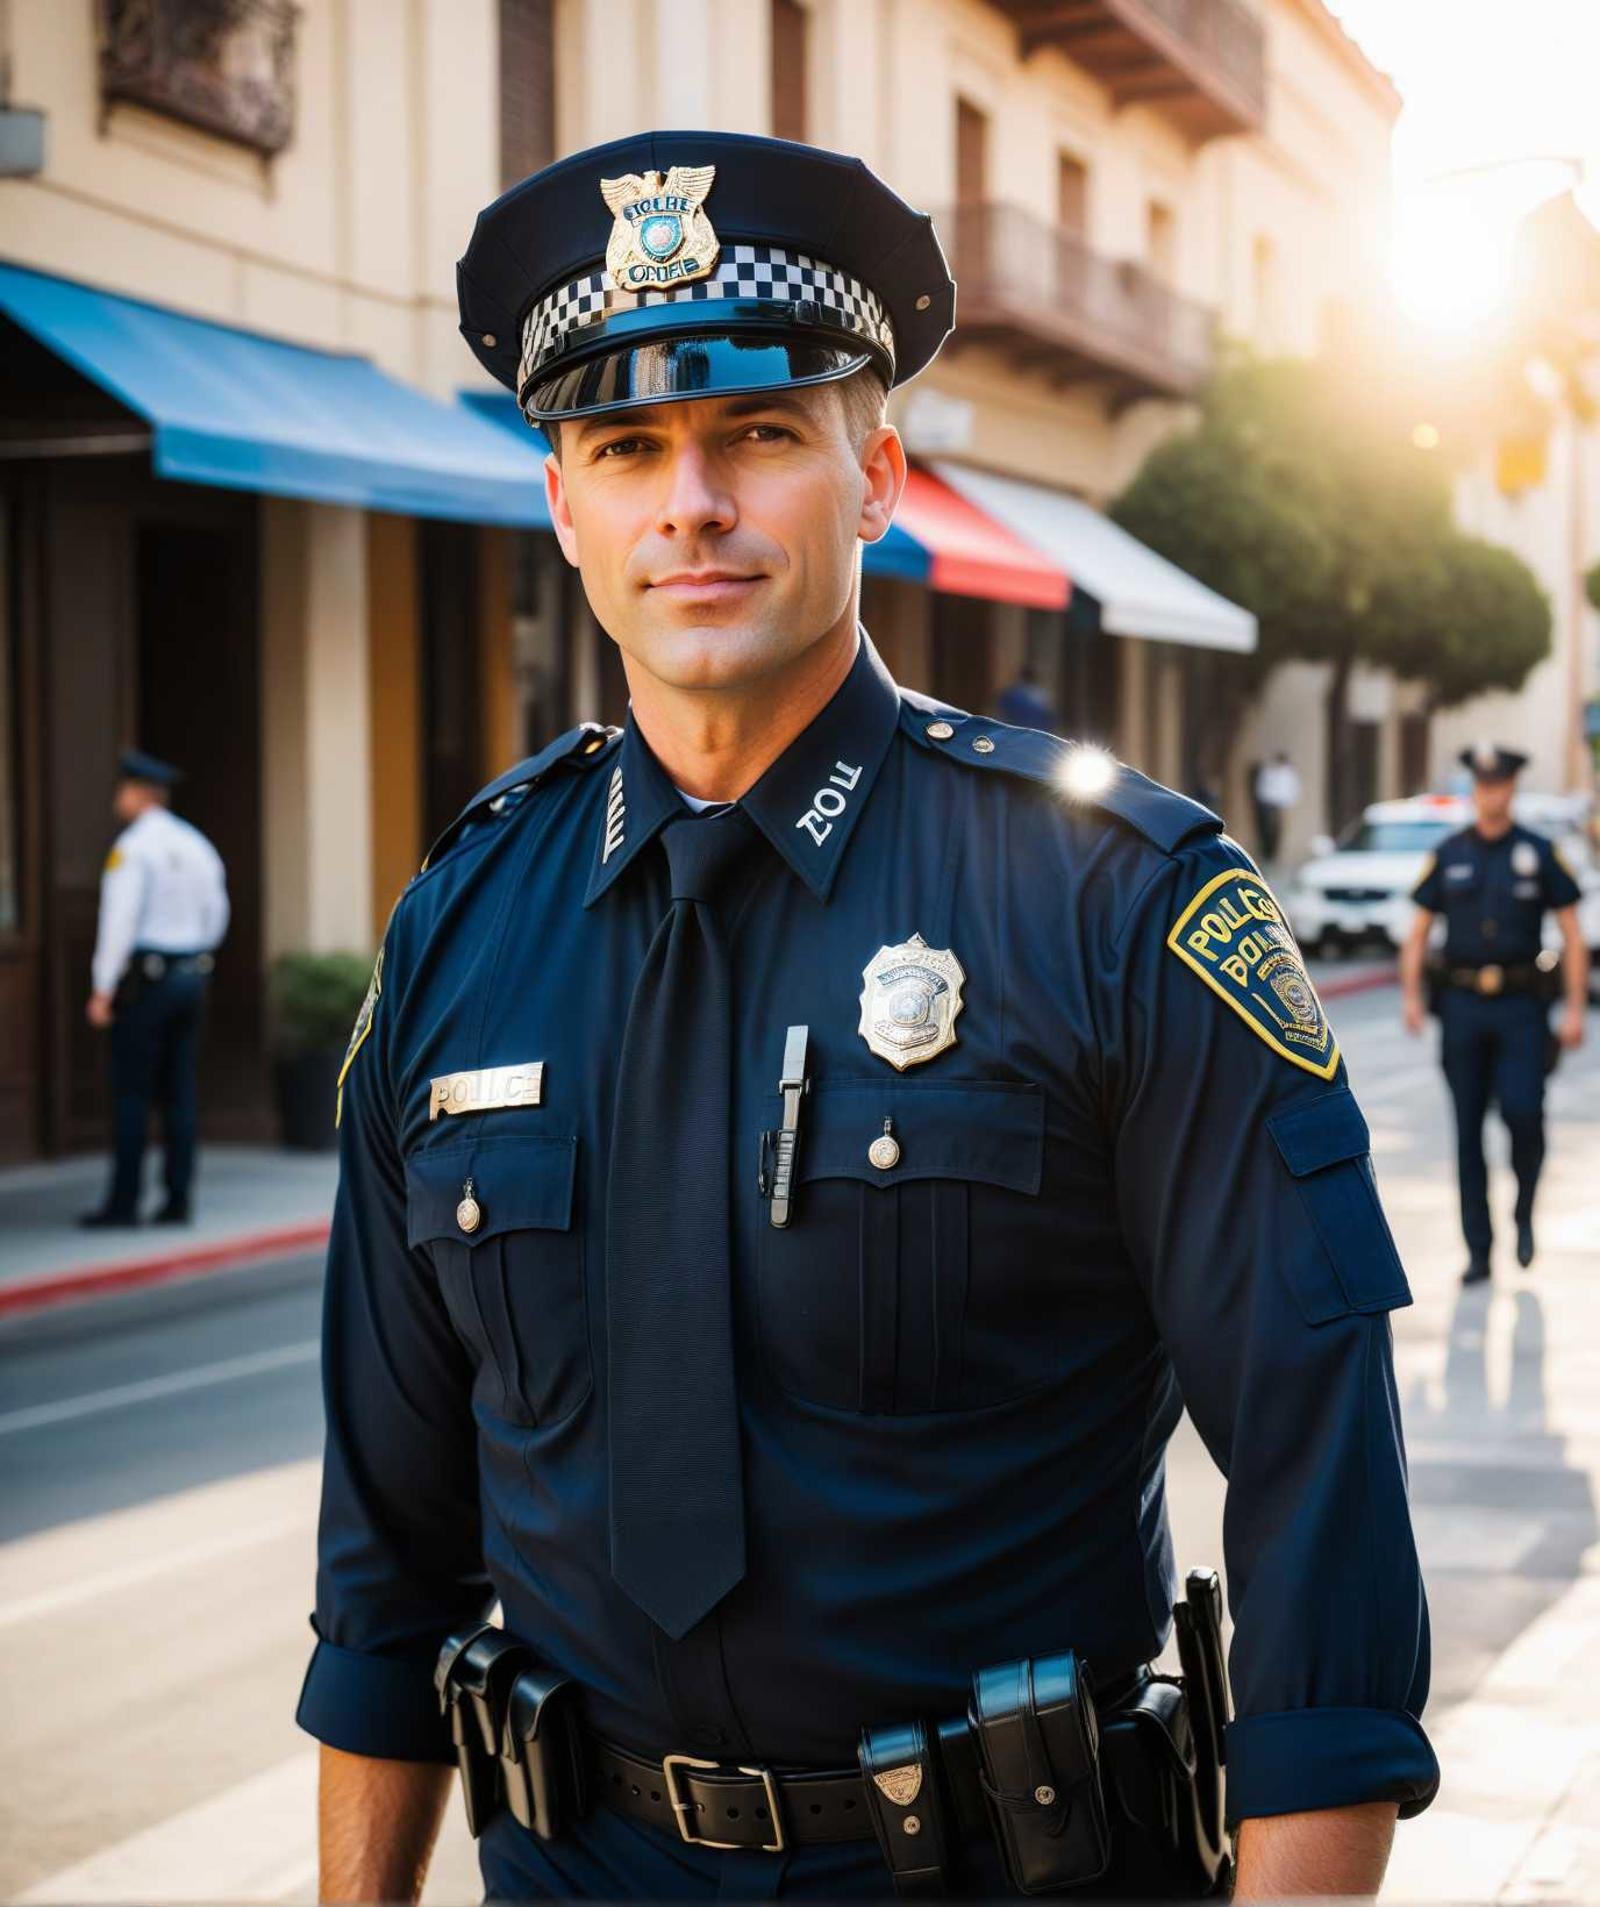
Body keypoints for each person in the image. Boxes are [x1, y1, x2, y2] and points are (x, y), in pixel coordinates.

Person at [297, 131, 1436, 1903]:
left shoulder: (1109, 901)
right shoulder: (461, 932)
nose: (693, 502)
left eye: (757, 434)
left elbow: (1320, 1493)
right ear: (566, 510)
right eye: (626, 448)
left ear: (877, 473)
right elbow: (386, 1555)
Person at [1401, 742, 1588, 1285]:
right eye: (1483, 786)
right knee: (1466, 1133)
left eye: (1500, 785)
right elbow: (1418, 933)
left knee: (1524, 1115)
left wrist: (1574, 1008)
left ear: (1512, 788)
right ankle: (1478, 1251)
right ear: (1474, 791)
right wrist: (1411, 996)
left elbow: (1573, 934)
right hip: (1460, 1008)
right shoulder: (1449, 853)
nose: (1492, 794)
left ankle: (1524, 1211)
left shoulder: (1540, 851)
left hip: (1522, 1008)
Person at [80, 749, 229, 1228]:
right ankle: (177, 1199)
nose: (116, 799)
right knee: (181, 1090)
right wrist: (197, 955)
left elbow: (118, 922)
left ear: (138, 794)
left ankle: (123, 1204)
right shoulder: (196, 844)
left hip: (147, 981)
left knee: (132, 1094)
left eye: (122, 790)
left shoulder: (134, 848)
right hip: (191, 974)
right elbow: (217, 914)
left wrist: (103, 987)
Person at [1251, 752, 1300, 865]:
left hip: (1281, 805)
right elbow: (1262, 789)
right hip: (1269, 804)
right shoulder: (1269, 772)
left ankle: (1274, 855)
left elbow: (1293, 790)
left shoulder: (1289, 774)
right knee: (1267, 829)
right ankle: (1267, 853)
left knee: (1278, 830)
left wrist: (1287, 804)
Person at [992, 660, 1054, 731]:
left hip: (1016, 732)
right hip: (1037, 732)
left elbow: (1001, 714)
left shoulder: (1011, 692)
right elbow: (1049, 717)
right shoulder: (1042, 694)